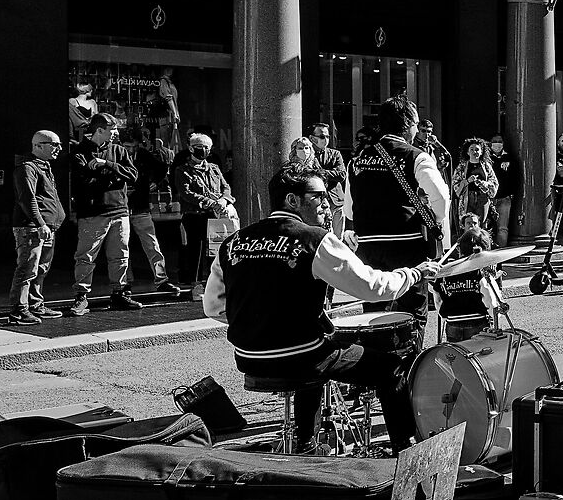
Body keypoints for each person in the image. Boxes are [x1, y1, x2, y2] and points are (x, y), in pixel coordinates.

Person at [202, 168, 439, 454]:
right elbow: (375, 288)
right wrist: (413, 273)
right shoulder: (314, 239)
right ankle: (407, 451)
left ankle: (305, 443)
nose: (327, 204)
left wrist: (263, 318)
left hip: (249, 359)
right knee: (391, 367)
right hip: (300, 357)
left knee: (316, 350)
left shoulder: (233, 242)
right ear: (292, 200)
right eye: (319, 196)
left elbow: (213, 306)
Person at [348, 97, 451, 277]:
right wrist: (433, 219)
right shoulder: (416, 156)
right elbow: (441, 198)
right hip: (406, 242)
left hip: (367, 244)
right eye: (416, 125)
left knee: (375, 301)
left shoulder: (358, 159)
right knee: (411, 303)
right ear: (408, 124)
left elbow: (349, 210)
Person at [68, 114, 141, 316]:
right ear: (100, 130)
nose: (116, 133)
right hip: (92, 213)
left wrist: (106, 164)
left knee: (120, 255)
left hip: (119, 211)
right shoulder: (79, 152)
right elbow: (85, 182)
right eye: (112, 129)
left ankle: (120, 293)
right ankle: (81, 296)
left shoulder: (119, 150)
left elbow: (134, 176)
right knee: (86, 256)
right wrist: (115, 176)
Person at [6, 130, 68, 324]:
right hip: (32, 228)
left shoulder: (44, 166)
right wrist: (40, 223)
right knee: (27, 269)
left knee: (41, 268)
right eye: (54, 145)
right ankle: (18, 310)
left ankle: (34, 304)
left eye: (59, 144)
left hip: (47, 227)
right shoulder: (27, 168)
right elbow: (27, 198)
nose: (58, 148)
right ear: (38, 146)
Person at [171, 132, 236, 296]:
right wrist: (210, 202)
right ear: (190, 148)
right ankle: (196, 286)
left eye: (206, 147)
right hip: (194, 216)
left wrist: (223, 200)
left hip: (214, 217)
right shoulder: (182, 170)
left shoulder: (214, 168)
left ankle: (216, 285)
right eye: (198, 147)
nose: (202, 150)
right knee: (196, 252)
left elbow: (225, 186)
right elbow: (187, 193)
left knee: (215, 251)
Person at [127, 124, 185, 298]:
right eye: (127, 146)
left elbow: (161, 168)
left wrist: (153, 182)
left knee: (151, 244)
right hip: (123, 206)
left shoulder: (142, 155)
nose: (129, 150)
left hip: (139, 205)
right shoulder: (119, 154)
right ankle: (126, 282)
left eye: (132, 146)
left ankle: (160, 278)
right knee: (122, 248)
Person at [451, 138, 500, 248]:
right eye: (472, 149)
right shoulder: (462, 166)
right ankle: (466, 249)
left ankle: (483, 248)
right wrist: (468, 181)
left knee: (481, 225)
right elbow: (455, 184)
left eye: (477, 149)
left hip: (482, 198)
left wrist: (485, 184)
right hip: (467, 198)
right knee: (467, 224)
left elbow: (494, 182)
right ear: (467, 152)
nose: (475, 152)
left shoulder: (486, 166)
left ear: (482, 151)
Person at [307, 121, 351, 235]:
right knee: (320, 237)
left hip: (336, 201)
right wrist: (330, 173)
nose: (325, 139)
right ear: (312, 138)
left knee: (338, 239)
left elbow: (341, 174)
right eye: (322, 136)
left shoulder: (335, 154)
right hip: (317, 203)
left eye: (327, 136)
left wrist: (322, 172)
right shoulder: (308, 155)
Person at [489, 135, 521, 243]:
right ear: (490, 143)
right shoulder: (487, 158)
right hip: (490, 199)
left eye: (499, 141)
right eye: (495, 141)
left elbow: (515, 177)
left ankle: (501, 250)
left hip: (505, 198)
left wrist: (512, 193)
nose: (497, 143)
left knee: (502, 227)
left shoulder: (509, 158)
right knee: (487, 226)